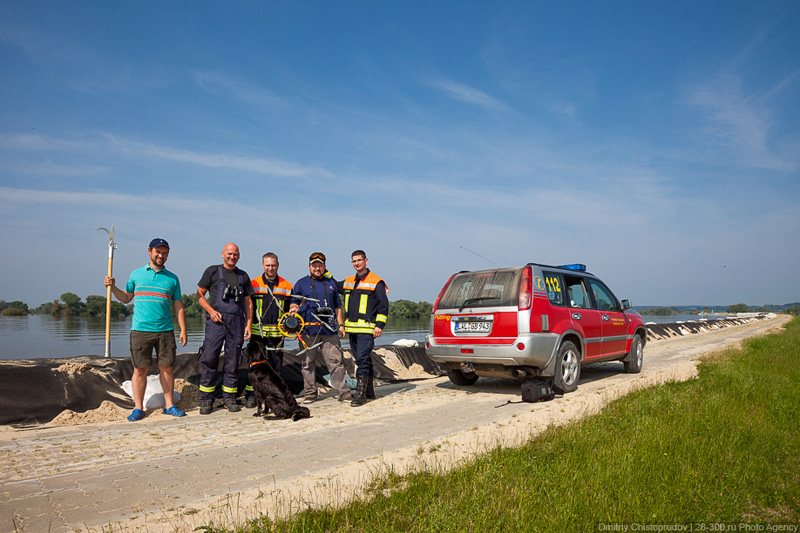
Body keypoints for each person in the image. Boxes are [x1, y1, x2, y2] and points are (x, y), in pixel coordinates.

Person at [104, 238, 187, 422]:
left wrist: (183, 329)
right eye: (158, 251)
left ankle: (169, 406)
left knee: (167, 368)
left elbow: (179, 306)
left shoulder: (172, 279)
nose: (161, 255)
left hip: (165, 330)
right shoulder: (136, 275)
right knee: (140, 370)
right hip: (140, 330)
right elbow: (125, 298)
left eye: (165, 253)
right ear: (149, 251)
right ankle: (138, 408)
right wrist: (112, 287)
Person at [196, 243, 253, 414]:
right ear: (222, 254)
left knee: (233, 360)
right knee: (209, 357)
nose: (232, 257)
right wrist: (211, 311)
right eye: (229, 253)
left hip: (237, 322)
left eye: (235, 254)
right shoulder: (212, 271)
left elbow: (248, 302)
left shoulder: (243, 276)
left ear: (239, 256)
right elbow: (199, 295)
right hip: (216, 321)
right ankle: (206, 399)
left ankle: (229, 397)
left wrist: (248, 324)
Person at [288, 252, 352, 404]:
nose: (317, 268)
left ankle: (343, 392)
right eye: (314, 265)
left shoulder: (331, 284)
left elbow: (338, 307)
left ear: (324, 266)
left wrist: (341, 325)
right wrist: (294, 308)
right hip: (308, 331)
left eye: (320, 265)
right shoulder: (300, 283)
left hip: (329, 330)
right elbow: (293, 302)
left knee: (335, 362)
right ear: (309, 266)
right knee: (307, 363)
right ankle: (310, 393)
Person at [245, 252, 293, 408]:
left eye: (273, 265)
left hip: (277, 336)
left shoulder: (286, 286)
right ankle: (252, 395)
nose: (270, 268)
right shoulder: (254, 283)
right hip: (258, 335)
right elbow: (247, 307)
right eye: (267, 265)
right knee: (255, 367)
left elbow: (289, 310)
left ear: (278, 265)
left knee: (276, 368)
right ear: (262, 265)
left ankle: (274, 396)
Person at [342, 249, 388, 407]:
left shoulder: (376, 281)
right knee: (363, 359)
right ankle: (369, 392)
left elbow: (383, 306)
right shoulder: (349, 280)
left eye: (359, 260)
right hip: (353, 329)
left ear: (366, 261)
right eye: (354, 261)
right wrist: (324, 272)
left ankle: (360, 396)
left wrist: (379, 326)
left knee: (362, 360)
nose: (356, 263)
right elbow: (335, 286)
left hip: (367, 329)